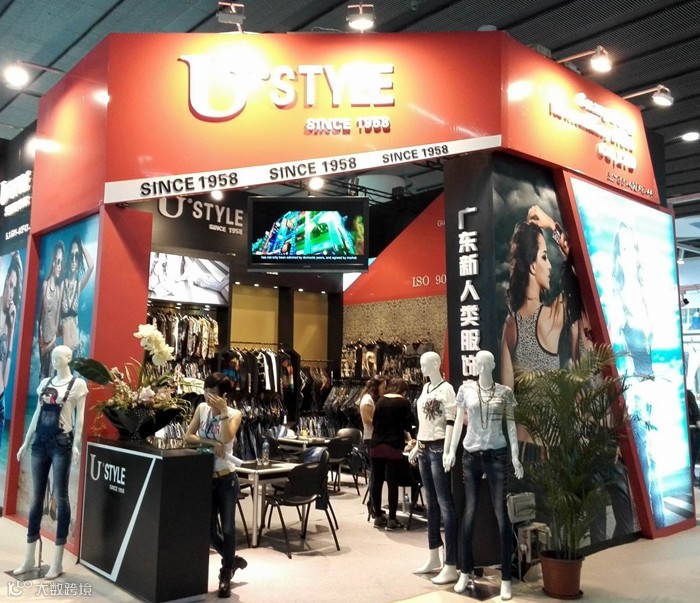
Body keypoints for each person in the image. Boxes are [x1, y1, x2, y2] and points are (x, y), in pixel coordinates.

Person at [444, 350, 523, 601]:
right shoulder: (465, 390)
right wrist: (450, 451)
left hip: (497, 455)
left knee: (502, 515)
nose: (480, 367)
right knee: (469, 512)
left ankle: (506, 578)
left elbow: (511, 425)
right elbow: (458, 422)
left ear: (493, 365)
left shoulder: (504, 393)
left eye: (485, 363)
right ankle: (465, 571)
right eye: (478, 363)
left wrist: (515, 455)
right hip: (471, 456)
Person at [607, 221, 666, 527]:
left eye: (632, 247)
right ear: (618, 255)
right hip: (635, 398)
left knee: (653, 465)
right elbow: (616, 359)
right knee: (644, 466)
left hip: (651, 392)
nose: (629, 254)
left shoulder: (643, 296)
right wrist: (626, 399)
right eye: (624, 248)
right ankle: (648, 524)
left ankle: (656, 525)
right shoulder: (618, 303)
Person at [14, 345, 87, 580]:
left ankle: (57, 561)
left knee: (60, 497)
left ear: (69, 358)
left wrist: (76, 444)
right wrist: (26, 442)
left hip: (62, 444)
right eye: (53, 356)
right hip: (39, 442)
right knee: (36, 498)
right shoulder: (45, 383)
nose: (55, 360)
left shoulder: (78, 385)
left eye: (59, 356)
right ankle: (28, 558)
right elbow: (37, 414)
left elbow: (80, 418)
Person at [185, 372, 246, 598]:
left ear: (223, 396)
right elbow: (188, 436)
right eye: (206, 391)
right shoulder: (201, 409)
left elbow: (227, 438)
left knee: (228, 529)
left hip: (227, 479)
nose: (207, 396)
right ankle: (232, 560)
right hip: (205, 477)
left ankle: (225, 573)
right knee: (209, 531)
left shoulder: (234, 414)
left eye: (213, 393)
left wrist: (222, 413)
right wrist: (209, 442)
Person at [409, 351, 459, 585]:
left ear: (437, 364)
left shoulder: (446, 389)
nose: (421, 368)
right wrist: (416, 445)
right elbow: (423, 422)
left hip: (439, 448)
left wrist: (448, 450)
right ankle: (433, 555)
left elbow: (451, 420)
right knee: (431, 504)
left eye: (425, 364)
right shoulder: (425, 388)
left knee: (445, 504)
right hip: (424, 448)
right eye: (420, 364)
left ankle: (451, 563)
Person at [370, 377, 414, 531]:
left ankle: (378, 516)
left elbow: (374, 422)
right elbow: (408, 424)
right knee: (392, 482)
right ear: (403, 390)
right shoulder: (403, 403)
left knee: (377, 481)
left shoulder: (381, 401)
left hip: (376, 445)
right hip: (393, 446)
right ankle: (392, 519)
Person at [0, 251, 22, 448]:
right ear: (6, 280)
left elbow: (5, 381)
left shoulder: (9, 321)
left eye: (16, 290)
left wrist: (13, 328)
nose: (12, 294)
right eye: (11, 286)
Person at [59, 235, 94, 354]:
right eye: (72, 256)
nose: (74, 260)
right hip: (65, 350)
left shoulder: (78, 286)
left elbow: (91, 266)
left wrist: (81, 246)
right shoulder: (62, 285)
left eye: (77, 256)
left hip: (76, 348)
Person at [37, 241, 65, 379]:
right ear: (53, 262)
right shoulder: (45, 285)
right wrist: (41, 343)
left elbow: (57, 321)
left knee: (51, 379)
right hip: (42, 343)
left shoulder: (59, 290)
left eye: (61, 263)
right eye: (58, 261)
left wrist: (48, 346)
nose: (59, 266)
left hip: (52, 344)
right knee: (41, 378)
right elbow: (40, 317)